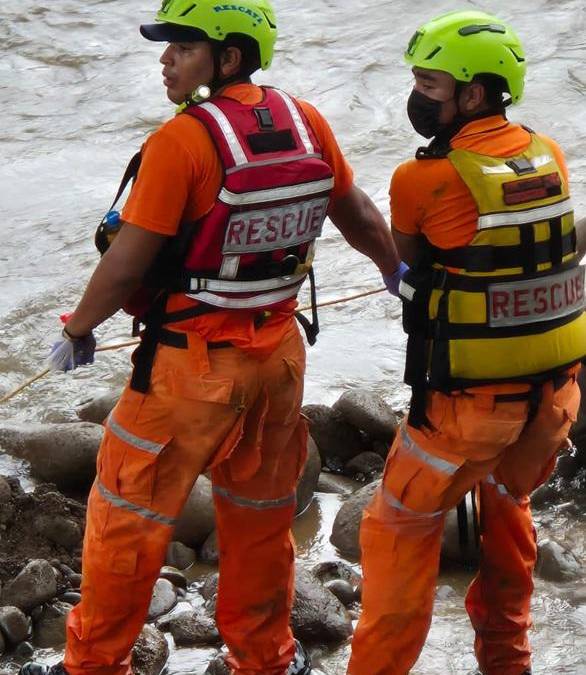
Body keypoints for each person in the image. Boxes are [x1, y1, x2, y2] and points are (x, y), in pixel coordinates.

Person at [20, 1, 402, 674]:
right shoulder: (306, 122)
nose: (165, 59)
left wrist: (78, 329)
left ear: (227, 58)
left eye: (183, 47)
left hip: (187, 373)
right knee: (260, 520)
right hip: (279, 359)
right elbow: (360, 214)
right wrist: (395, 271)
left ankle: (94, 664)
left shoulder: (182, 142)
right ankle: (265, 657)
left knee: (125, 521)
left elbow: (127, 263)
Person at [348, 10, 585, 675]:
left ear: (474, 93)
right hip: (553, 402)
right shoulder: (549, 153)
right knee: (509, 510)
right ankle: (508, 661)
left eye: (429, 84)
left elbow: (411, 260)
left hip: (466, 410)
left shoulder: (420, 178)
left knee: (396, 528)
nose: (417, 96)